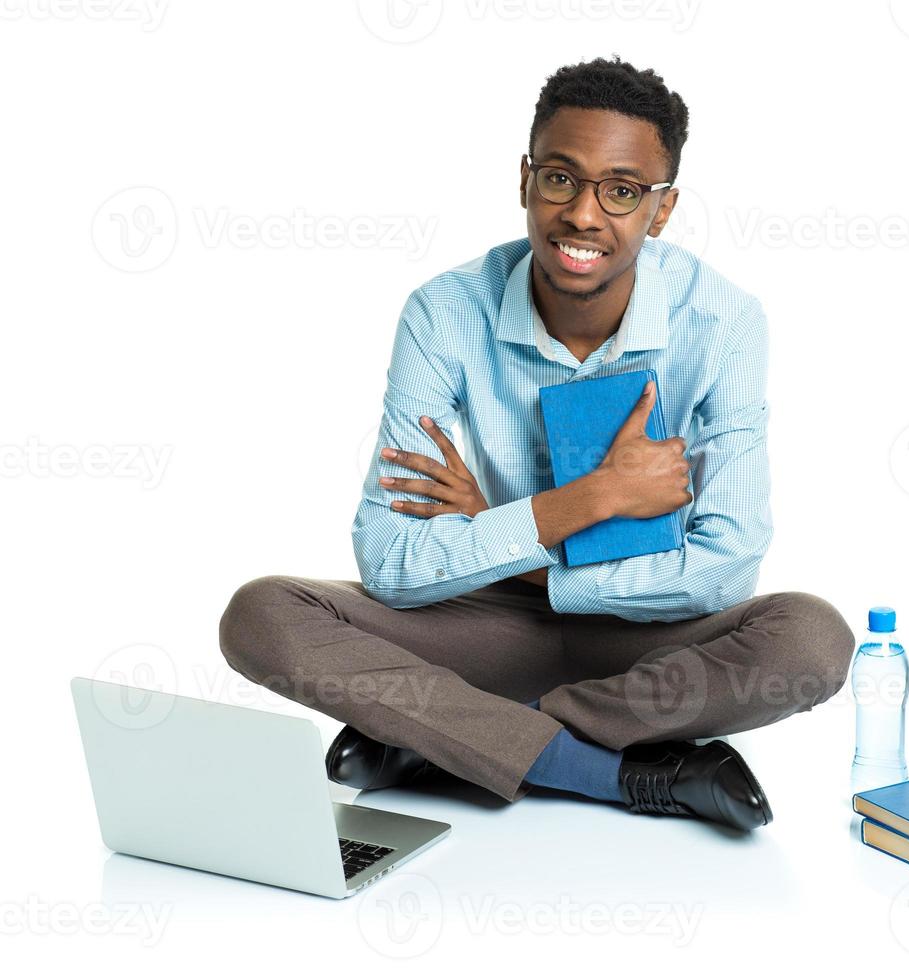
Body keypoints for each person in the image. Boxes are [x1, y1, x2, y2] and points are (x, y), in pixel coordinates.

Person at [218, 54, 854, 833]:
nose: (583, 215)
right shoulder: (444, 312)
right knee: (263, 614)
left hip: (651, 641)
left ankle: (447, 735)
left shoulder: (722, 323)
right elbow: (386, 566)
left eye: (621, 192)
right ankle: (604, 771)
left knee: (812, 639)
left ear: (661, 210)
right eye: (560, 178)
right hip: (484, 625)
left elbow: (722, 572)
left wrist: (514, 548)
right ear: (524, 180)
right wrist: (592, 500)